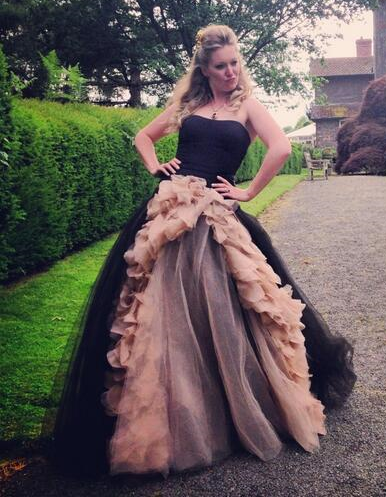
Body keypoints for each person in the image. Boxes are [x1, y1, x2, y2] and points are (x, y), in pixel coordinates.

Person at [44, 24, 356, 479]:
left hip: (216, 215)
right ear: (205, 70)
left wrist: (248, 192)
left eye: (235, 64)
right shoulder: (187, 105)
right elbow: (143, 137)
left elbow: (281, 147)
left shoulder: (248, 106)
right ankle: (171, 413)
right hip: (170, 211)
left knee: (231, 306)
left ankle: (234, 404)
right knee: (157, 312)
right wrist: (156, 165)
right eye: (221, 66)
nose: (231, 72)